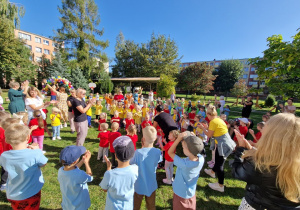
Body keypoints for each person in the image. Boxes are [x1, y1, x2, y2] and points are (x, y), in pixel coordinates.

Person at [231, 113, 300, 210]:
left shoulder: (262, 165)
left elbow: (237, 172)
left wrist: (241, 149)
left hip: (258, 205)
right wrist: (251, 150)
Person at [0, 124, 48, 210]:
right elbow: (44, 163)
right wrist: (37, 150)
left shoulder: (4, 156)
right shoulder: (35, 154)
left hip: (13, 193)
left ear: (7, 140)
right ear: (27, 138)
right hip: (31, 192)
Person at [198, 105, 236, 192]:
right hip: (224, 143)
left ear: (208, 114)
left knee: (220, 165)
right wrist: (207, 128)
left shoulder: (213, 122)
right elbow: (216, 130)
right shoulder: (218, 119)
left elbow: (209, 135)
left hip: (223, 145)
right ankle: (212, 172)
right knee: (218, 160)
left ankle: (220, 185)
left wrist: (203, 128)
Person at [168, 131, 205, 210]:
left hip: (180, 194)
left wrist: (178, 140)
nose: (182, 148)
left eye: (183, 147)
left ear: (188, 150)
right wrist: (194, 139)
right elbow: (197, 147)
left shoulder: (184, 164)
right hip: (191, 194)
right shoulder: (201, 159)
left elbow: (170, 152)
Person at [100, 136, 138, 210]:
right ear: (132, 155)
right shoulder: (135, 169)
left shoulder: (109, 174)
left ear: (116, 156)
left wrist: (108, 168)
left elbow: (104, 189)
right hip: (128, 206)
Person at [130, 126, 162, 210]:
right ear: (155, 138)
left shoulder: (137, 153)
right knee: (151, 206)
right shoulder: (157, 152)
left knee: (135, 206)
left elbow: (131, 162)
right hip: (151, 184)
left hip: (138, 185)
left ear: (143, 139)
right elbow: (159, 160)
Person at [58, 145, 93, 210]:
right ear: (75, 161)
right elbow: (89, 177)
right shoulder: (80, 174)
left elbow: (73, 169)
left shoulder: (61, 170)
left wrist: (82, 161)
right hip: (80, 206)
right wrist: (86, 163)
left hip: (67, 204)